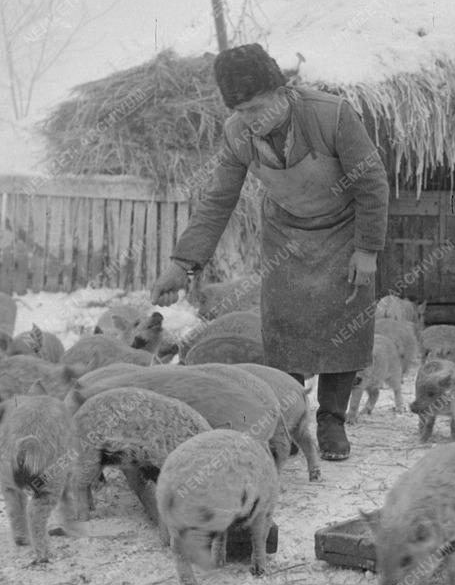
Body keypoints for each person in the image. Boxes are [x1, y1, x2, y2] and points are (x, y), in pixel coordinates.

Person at [150, 43, 389, 462]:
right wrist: (182, 263)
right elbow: (218, 199)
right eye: (241, 110)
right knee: (283, 324)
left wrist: (366, 250)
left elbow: (372, 183)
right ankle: (287, 415)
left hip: (343, 230)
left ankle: (331, 419)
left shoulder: (331, 114)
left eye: (257, 106)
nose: (250, 119)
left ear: (283, 91)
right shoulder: (237, 134)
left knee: (344, 321)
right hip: (286, 233)